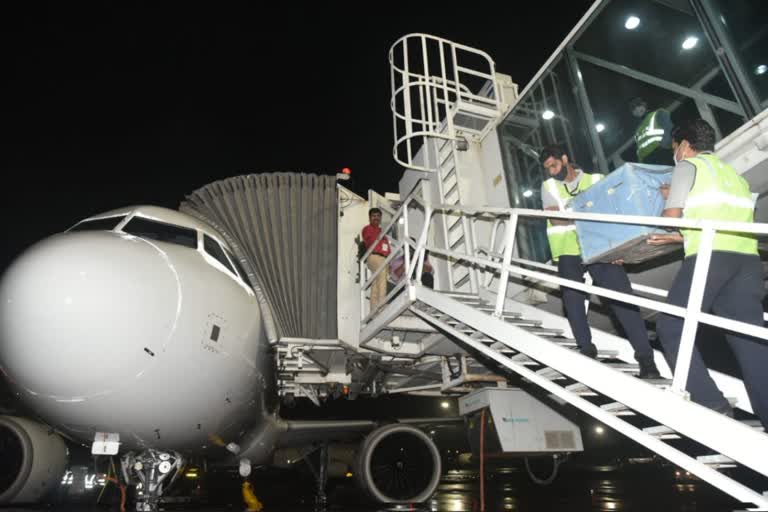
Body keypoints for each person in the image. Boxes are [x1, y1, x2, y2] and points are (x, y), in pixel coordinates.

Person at [647, 118, 768, 426]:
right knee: (749, 342)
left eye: (674, 149)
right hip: (746, 261)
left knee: (671, 327)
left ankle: (710, 403)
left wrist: (669, 200)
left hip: (710, 257)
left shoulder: (689, 167)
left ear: (686, 145)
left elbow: (670, 218)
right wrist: (678, 237)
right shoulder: (733, 175)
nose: (675, 155)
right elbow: (717, 220)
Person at [540, 144, 661, 379]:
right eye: (548, 169)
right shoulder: (549, 187)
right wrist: (588, 214)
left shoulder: (597, 178)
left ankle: (647, 361)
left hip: (601, 246)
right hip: (569, 251)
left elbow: (614, 213)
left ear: (565, 159)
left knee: (622, 300)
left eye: (554, 165)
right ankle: (586, 350)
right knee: (573, 300)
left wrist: (619, 249)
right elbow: (555, 220)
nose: (552, 172)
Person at [362, 208, 391, 312]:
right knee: (382, 279)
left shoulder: (382, 232)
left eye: (378, 216)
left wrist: (389, 263)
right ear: (370, 217)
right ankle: (382, 305)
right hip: (374, 257)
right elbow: (369, 241)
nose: (376, 218)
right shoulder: (367, 229)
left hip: (383, 259)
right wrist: (378, 235)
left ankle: (373, 310)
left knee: (375, 283)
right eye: (374, 216)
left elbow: (388, 249)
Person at [630, 97, 674, 165]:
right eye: (634, 108)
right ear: (633, 113)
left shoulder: (658, 114)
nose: (637, 109)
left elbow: (671, 132)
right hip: (649, 166)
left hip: (664, 157)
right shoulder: (637, 132)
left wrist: (664, 151)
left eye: (639, 104)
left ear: (644, 104)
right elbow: (639, 150)